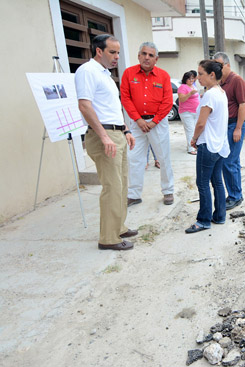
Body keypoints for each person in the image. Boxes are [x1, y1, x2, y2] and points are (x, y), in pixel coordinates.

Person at [75, 34, 137, 251]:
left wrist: (126, 130)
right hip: (104, 136)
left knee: (121, 185)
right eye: (112, 52)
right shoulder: (87, 71)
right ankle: (108, 238)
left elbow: (111, 108)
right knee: (112, 187)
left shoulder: (105, 75)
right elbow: (85, 106)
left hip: (117, 134)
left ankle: (118, 226)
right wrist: (103, 136)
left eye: (118, 52)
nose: (116, 57)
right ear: (99, 51)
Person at [120, 42, 175, 206]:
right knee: (134, 159)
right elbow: (125, 98)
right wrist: (138, 120)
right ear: (138, 56)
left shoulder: (163, 76)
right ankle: (134, 194)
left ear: (156, 59)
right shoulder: (129, 74)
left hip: (157, 123)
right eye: (144, 53)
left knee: (163, 157)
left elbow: (167, 102)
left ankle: (168, 191)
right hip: (137, 123)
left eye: (151, 55)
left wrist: (154, 122)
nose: (147, 57)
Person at [185, 60, 230, 233]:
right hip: (219, 144)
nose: (198, 78)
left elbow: (201, 123)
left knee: (202, 182)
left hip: (208, 144)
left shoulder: (210, 95)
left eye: (201, 74)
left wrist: (194, 139)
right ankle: (219, 215)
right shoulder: (221, 92)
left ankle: (203, 220)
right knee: (216, 181)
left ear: (212, 75)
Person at [212, 52, 245, 210]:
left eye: (220, 65)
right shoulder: (220, 82)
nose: (217, 69)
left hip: (234, 125)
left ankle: (235, 196)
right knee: (231, 162)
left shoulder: (237, 81)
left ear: (227, 65)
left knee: (229, 162)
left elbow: (243, 105)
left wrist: (239, 128)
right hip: (223, 126)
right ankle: (235, 193)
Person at [178, 71, 200, 155]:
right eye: (189, 79)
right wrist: (190, 93)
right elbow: (181, 99)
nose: (191, 80)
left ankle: (194, 146)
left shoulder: (193, 85)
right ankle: (191, 148)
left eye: (192, 78)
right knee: (190, 130)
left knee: (195, 130)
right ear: (185, 79)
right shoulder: (183, 87)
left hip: (195, 112)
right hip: (186, 112)